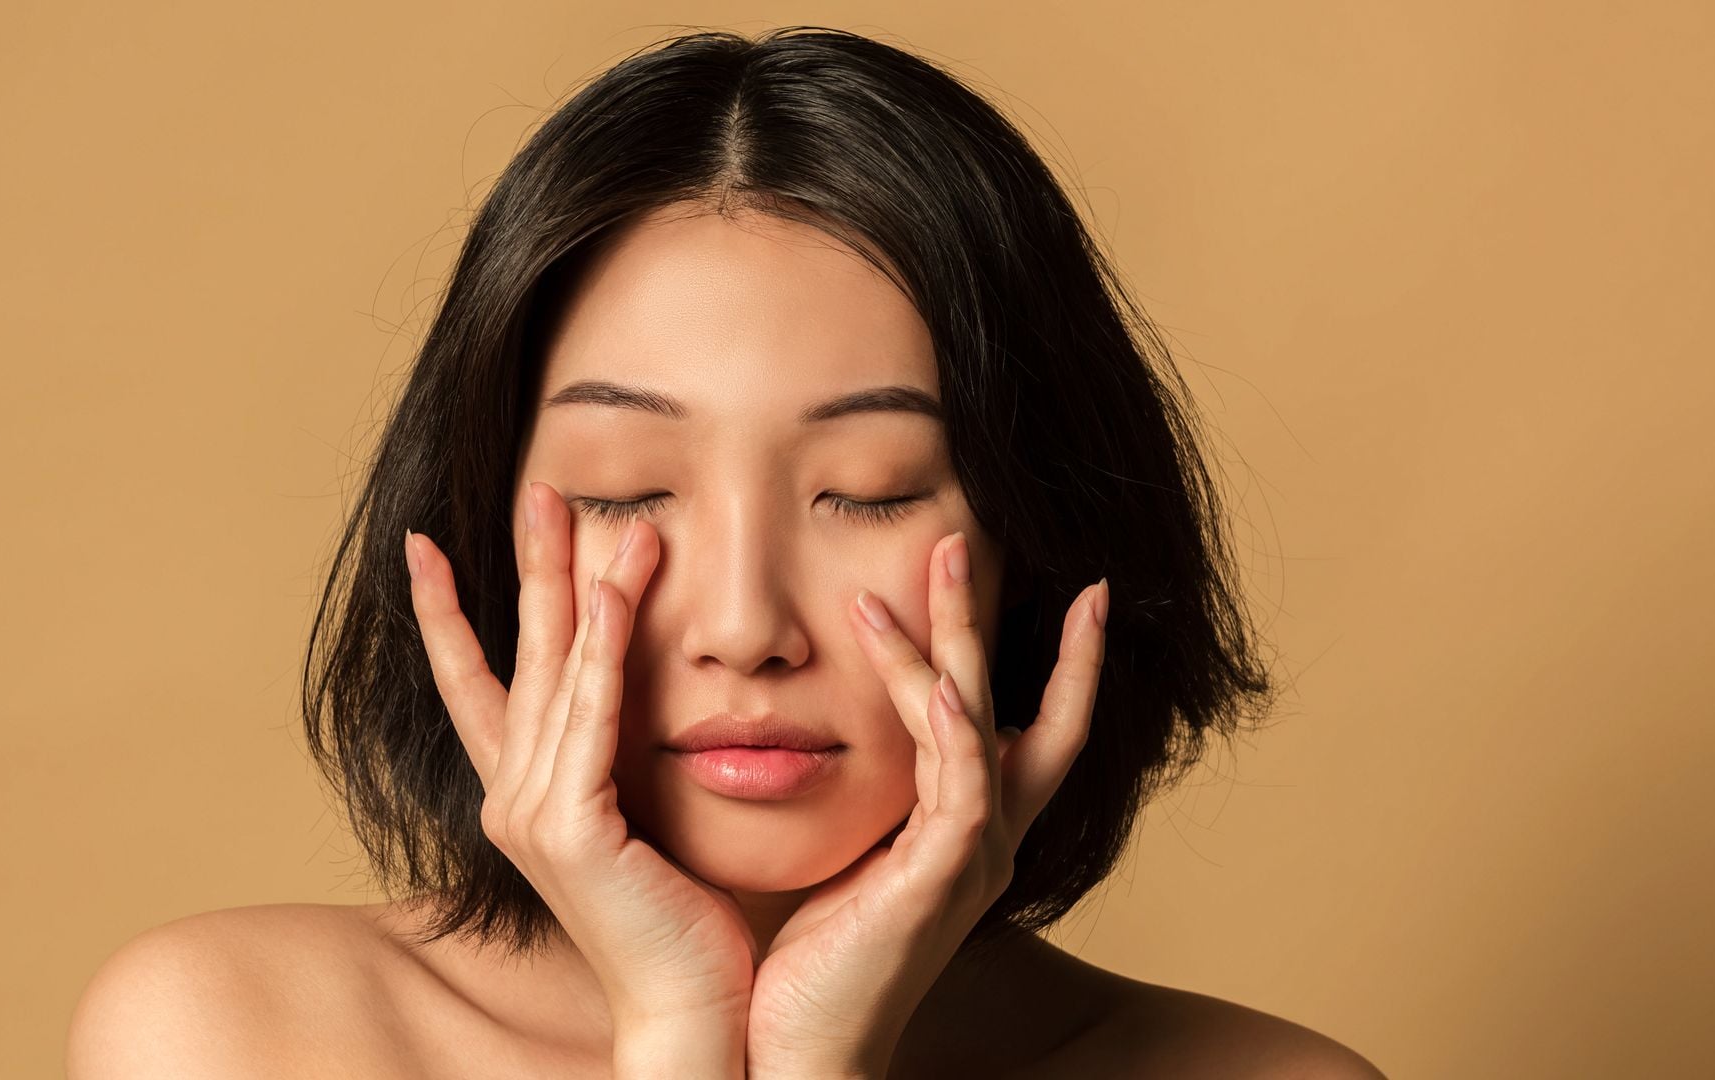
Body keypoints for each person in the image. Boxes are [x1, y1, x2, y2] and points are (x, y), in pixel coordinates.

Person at [68, 26, 1385, 1078]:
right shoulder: (238, 1038)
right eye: (627, 492)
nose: (745, 625)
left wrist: (821, 1057)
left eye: (869, 493)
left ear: (1032, 544)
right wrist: (680, 1030)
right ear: (477, 542)